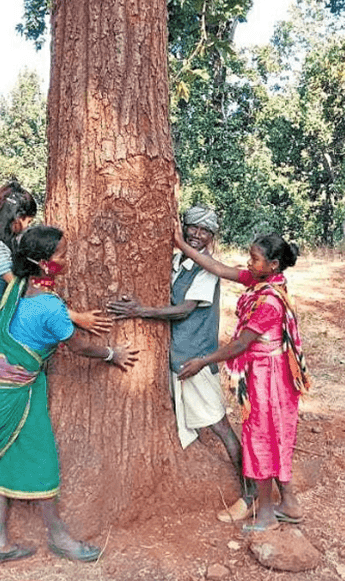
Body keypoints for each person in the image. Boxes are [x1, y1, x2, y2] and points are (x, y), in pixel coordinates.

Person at [0, 225, 139, 564]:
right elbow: (78, 347)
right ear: (44, 263)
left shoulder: (20, 287)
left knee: (2, 459)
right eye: (61, 254)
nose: (67, 259)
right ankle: (60, 539)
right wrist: (112, 354)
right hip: (13, 390)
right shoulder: (50, 307)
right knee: (42, 461)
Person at [0, 181, 112, 491]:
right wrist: (77, 317)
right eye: (27, 219)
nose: (28, 225)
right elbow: (21, 292)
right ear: (15, 217)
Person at [107, 205, 255, 522]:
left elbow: (186, 309)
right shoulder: (179, 262)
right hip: (179, 356)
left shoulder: (204, 271)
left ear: (213, 236)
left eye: (205, 232)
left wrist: (140, 311)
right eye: (193, 228)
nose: (197, 235)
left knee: (219, 426)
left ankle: (250, 494)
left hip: (196, 359)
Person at [175, 231, 309, 534]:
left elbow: (239, 346)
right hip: (270, 374)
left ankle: (265, 515)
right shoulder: (262, 282)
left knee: (261, 440)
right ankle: (289, 504)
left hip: (269, 380)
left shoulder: (269, 302)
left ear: (273, 264)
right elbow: (220, 269)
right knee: (274, 438)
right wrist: (182, 246)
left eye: (254, 258)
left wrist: (202, 361)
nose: (248, 263)